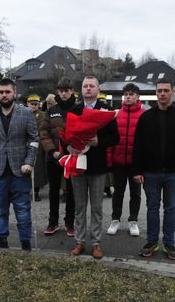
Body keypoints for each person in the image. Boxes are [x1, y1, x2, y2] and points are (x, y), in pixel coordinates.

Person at [133, 79, 175, 260]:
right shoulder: (146, 118)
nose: (162, 94)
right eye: (159, 91)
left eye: (166, 90)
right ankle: (152, 242)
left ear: (172, 93)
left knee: (171, 208)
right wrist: (137, 170)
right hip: (150, 173)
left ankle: (169, 243)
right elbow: (138, 147)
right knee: (152, 208)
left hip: (173, 174)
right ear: (156, 93)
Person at [0, 78, 38, 251]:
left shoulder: (26, 113)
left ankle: (25, 241)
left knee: (22, 210)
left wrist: (29, 162)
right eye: (1, 92)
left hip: (20, 171)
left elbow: (34, 140)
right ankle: (2, 239)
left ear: (15, 93)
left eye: (7, 92)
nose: (4, 95)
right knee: (1, 210)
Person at [68, 76, 119, 259]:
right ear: (81, 90)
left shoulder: (107, 111)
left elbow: (115, 138)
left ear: (98, 89)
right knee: (79, 207)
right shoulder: (74, 109)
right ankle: (80, 242)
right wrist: (69, 146)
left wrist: (99, 142)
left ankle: (96, 243)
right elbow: (65, 136)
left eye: (91, 86)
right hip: (78, 165)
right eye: (85, 86)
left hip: (98, 166)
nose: (88, 89)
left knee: (97, 208)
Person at [39, 77, 78, 237]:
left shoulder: (78, 109)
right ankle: (52, 222)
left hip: (72, 158)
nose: (63, 94)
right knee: (53, 191)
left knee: (71, 192)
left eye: (66, 90)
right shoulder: (51, 110)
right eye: (61, 91)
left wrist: (76, 149)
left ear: (72, 91)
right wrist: (53, 151)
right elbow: (44, 133)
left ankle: (70, 223)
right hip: (54, 158)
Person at [106, 83, 145, 237]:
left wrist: (143, 164)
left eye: (131, 94)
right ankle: (115, 220)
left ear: (137, 97)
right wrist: (109, 161)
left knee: (136, 194)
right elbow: (110, 140)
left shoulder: (143, 115)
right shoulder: (116, 115)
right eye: (126, 94)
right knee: (118, 193)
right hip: (119, 163)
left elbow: (146, 143)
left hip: (136, 164)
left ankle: (133, 221)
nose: (128, 96)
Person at [27, 94, 47, 201]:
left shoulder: (43, 115)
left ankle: (36, 191)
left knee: (38, 169)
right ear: (27, 104)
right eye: (32, 104)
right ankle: (26, 190)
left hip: (39, 145)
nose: (34, 106)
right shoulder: (23, 114)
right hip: (26, 145)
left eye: (36, 104)